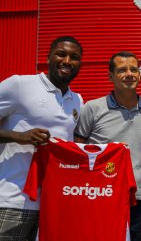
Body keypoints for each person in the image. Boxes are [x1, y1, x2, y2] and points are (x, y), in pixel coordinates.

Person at [0, 36, 83, 240]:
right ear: (48, 57)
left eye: (74, 57)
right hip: (12, 200)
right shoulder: (19, 84)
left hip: (53, 204)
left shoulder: (78, 101)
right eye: (61, 54)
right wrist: (18, 136)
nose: (67, 61)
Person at [74, 51, 141, 241]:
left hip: (134, 200)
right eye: (122, 70)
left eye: (134, 69)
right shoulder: (92, 108)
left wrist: (136, 183)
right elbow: (78, 152)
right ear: (110, 76)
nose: (129, 74)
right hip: (97, 197)